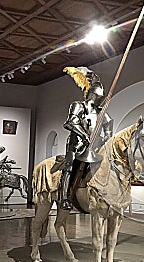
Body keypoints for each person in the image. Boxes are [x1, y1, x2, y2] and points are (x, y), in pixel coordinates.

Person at [60, 66, 113, 210]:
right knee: (69, 167)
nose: (100, 100)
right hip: (76, 145)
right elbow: (70, 123)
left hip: (94, 148)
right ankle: (64, 197)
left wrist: (105, 138)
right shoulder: (78, 106)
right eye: (99, 97)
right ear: (93, 95)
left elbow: (109, 126)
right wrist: (84, 135)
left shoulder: (101, 112)